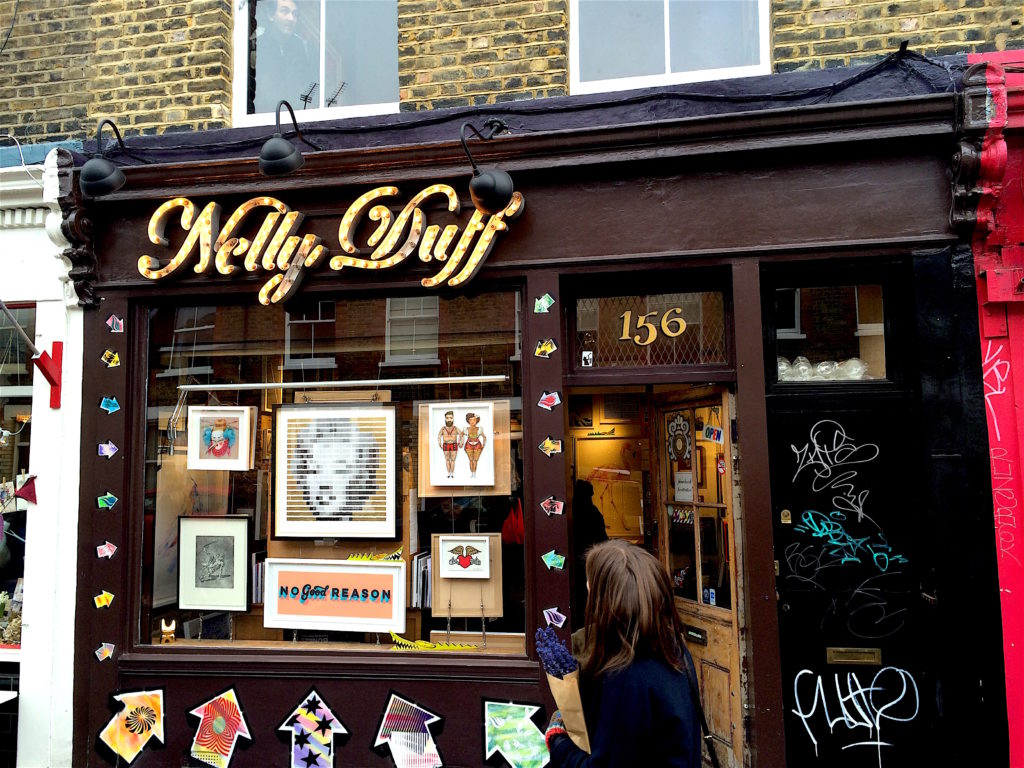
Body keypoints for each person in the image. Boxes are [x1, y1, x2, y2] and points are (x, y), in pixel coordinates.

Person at [546, 539, 702, 768]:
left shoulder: (623, 676)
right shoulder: (673, 649)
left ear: (604, 599)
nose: (588, 588)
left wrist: (559, 741)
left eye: (591, 585)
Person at [253, 0, 318, 113]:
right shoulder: (257, 47)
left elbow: (313, 88)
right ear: (270, 15)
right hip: (263, 119)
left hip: (298, 119)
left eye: (294, 14)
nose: (291, 18)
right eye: (284, 11)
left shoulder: (305, 49)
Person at [570, 479, 606, 626]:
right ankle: (588, 624)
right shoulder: (593, 513)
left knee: (577, 594)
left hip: (573, 560)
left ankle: (579, 624)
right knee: (589, 596)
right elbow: (602, 538)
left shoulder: (570, 511)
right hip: (590, 560)